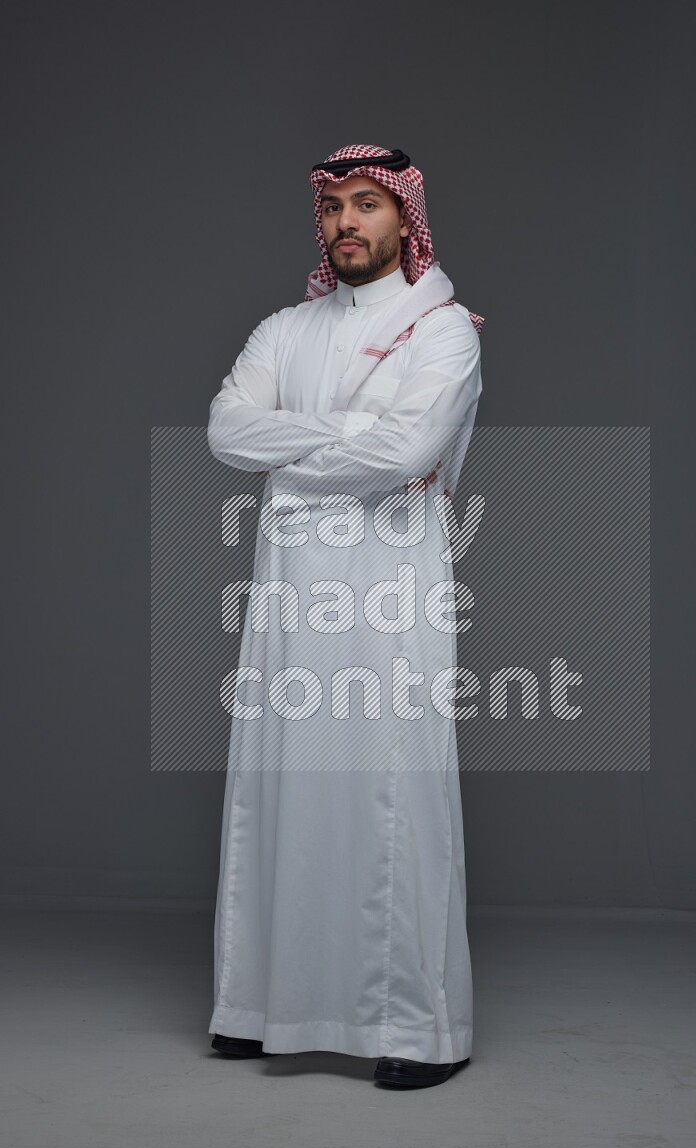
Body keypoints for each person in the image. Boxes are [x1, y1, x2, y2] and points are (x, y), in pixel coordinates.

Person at [205, 144, 484, 1089]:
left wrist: (295, 458)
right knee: (279, 781)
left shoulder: (444, 331)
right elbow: (226, 428)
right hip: (290, 589)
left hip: (389, 587)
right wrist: (351, 445)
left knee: (390, 790)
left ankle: (415, 1028)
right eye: (332, 209)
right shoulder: (283, 328)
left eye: (367, 204)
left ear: (405, 217)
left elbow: (413, 446)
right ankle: (258, 1007)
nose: (347, 224)